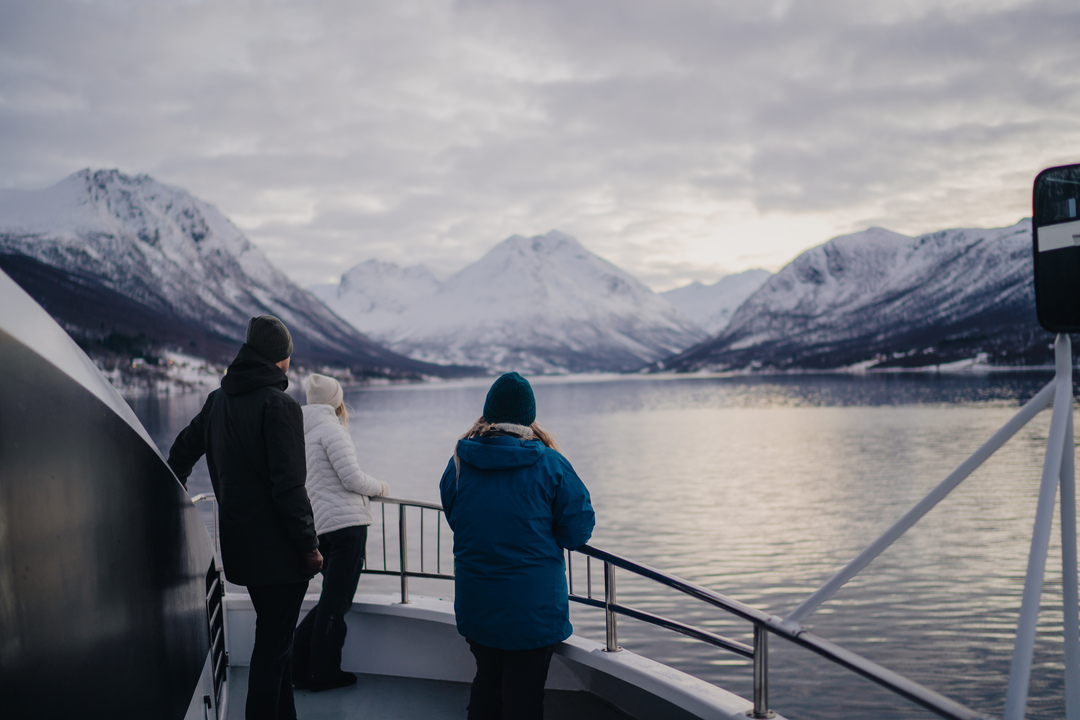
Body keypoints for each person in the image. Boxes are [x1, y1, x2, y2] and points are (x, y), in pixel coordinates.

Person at [168, 315, 322, 720]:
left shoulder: (218, 400)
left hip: (241, 551)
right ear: (280, 357)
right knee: (272, 652)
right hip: (282, 558)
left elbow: (181, 451)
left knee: (278, 645)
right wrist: (309, 547)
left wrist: (176, 485)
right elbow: (289, 489)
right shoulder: (280, 405)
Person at [439, 372, 595, 720]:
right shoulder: (551, 463)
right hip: (533, 611)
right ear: (528, 416)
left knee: (487, 682)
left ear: (488, 413)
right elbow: (577, 531)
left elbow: (456, 519)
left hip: (478, 604)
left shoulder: (459, 463)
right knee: (524, 698)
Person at [292, 373, 389, 691]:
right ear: (336, 401)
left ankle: (298, 667)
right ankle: (323, 672)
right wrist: (380, 487)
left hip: (322, 528)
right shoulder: (332, 430)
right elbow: (352, 478)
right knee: (336, 602)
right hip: (347, 527)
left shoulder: (303, 433)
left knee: (331, 599)